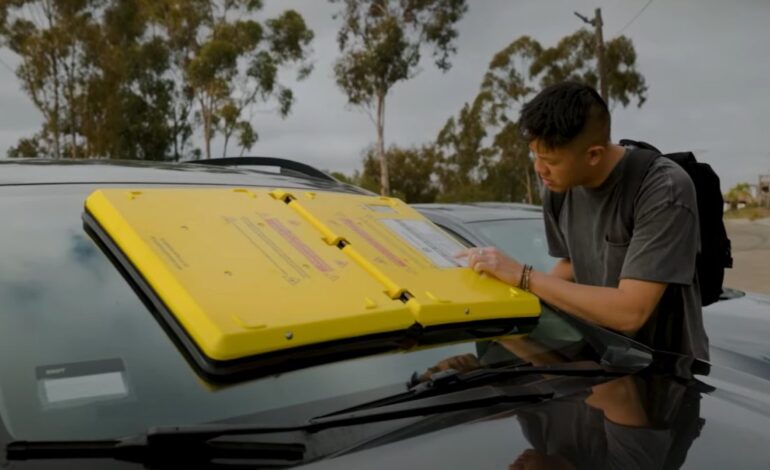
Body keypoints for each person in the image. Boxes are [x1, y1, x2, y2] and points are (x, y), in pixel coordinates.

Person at [457, 81, 709, 360]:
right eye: (535, 156)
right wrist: (510, 307)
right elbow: (572, 263)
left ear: (593, 155)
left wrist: (523, 275)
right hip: (599, 362)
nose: (540, 169)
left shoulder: (663, 189)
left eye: (550, 160)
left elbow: (631, 311)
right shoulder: (558, 188)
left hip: (666, 371)